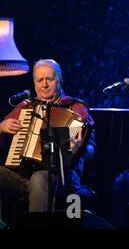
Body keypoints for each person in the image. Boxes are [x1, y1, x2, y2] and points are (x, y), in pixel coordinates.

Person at [0, 59, 95, 215]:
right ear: (34, 83)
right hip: (23, 175)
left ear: (60, 80)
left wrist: (79, 149)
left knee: (39, 178)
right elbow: (3, 132)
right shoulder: (25, 106)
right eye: (39, 80)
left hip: (62, 177)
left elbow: (92, 148)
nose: (44, 84)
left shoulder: (76, 107)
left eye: (49, 79)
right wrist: (2, 127)